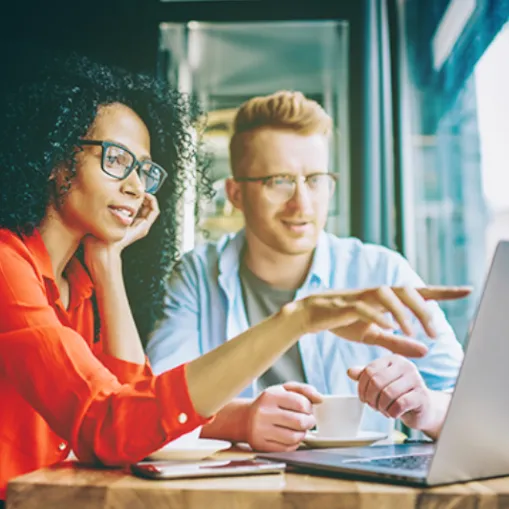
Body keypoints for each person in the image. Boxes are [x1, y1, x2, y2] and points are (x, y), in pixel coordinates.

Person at [0, 53, 469, 503]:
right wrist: (297, 321)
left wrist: (107, 262)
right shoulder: (9, 268)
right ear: (57, 158)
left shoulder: (79, 285)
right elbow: (121, 421)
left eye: (143, 170)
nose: (136, 187)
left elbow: (132, 409)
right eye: (117, 161)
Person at [146, 91, 467, 452]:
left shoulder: (381, 270)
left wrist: (424, 407)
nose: (302, 203)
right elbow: (155, 404)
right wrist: (241, 420)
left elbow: (474, 403)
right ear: (236, 194)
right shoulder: (196, 274)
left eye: (315, 179)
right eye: (279, 181)